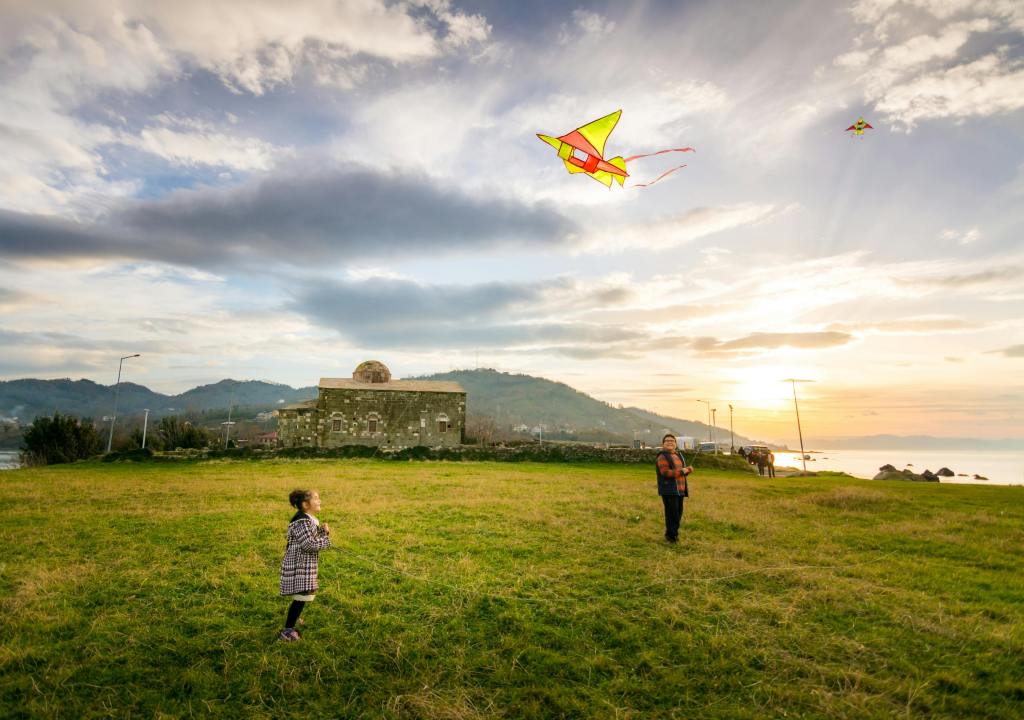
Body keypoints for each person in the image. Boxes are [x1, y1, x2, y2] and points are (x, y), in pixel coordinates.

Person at [279, 489, 332, 641]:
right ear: (305, 504)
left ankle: (293, 621)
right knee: (300, 598)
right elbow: (309, 544)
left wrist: (323, 533)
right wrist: (327, 540)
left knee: (303, 596)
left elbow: (311, 540)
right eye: (316, 498)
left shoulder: (308, 520)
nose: (320, 501)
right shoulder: (302, 521)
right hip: (300, 565)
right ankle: (287, 631)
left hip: (304, 563)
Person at [656, 434, 693, 543]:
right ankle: (671, 537)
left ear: (675, 444)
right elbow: (665, 473)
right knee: (672, 515)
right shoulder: (662, 456)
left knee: (678, 514)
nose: (669, 442)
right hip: (669, 490)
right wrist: (683, 471)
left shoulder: (678, 455)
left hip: (680, 489)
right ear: (663, 444)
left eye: (672, 441)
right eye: (667, 441)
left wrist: (688, 471)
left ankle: (672, 535)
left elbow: (681, 473)